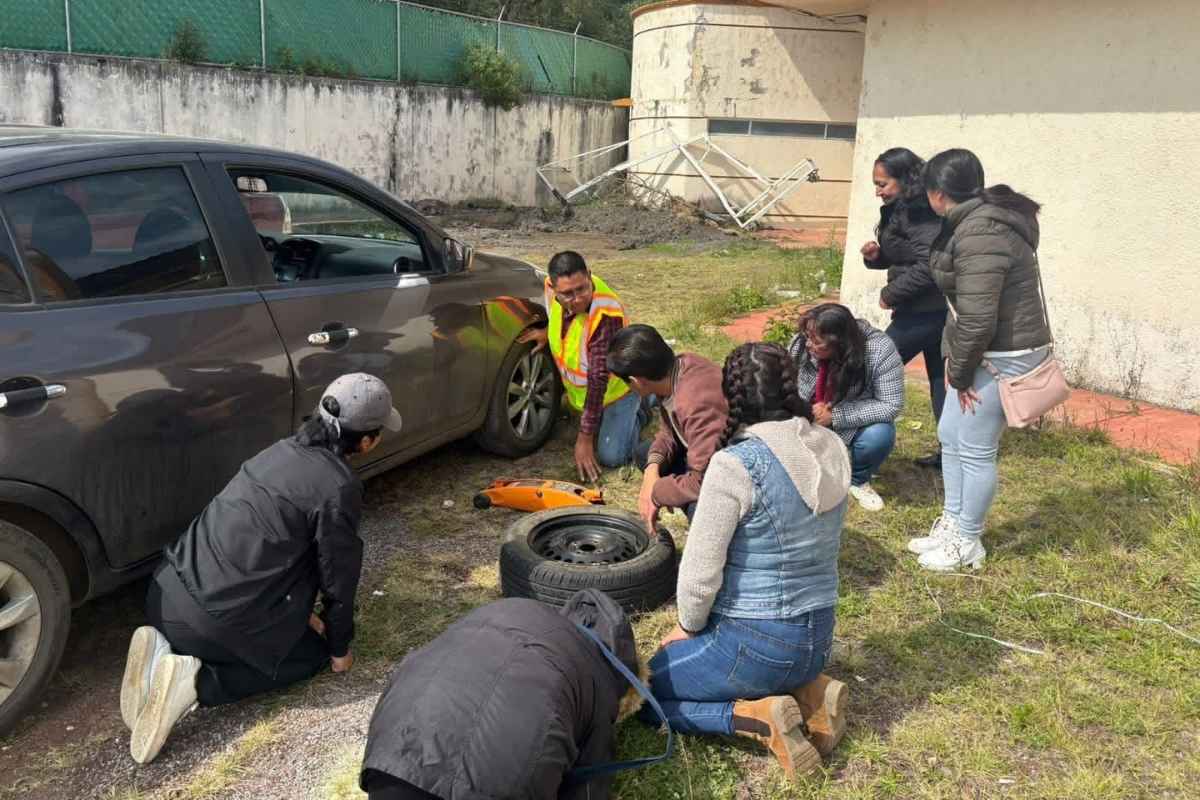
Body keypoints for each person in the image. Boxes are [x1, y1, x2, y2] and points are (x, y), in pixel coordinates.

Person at [119, 373, 403, 764]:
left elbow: (265, 554)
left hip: (166, 591)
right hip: (211, 627)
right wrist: (337, 647)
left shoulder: (278, 451)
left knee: (260, 601)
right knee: (308, 657)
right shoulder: (337, 486)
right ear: (367, 440)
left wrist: (303, 614)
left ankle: (160, 650)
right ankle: (196, 685)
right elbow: (338, 576)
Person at [639, 342, 851, 780]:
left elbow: (700, 574)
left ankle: (757, 718)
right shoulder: (832, 445)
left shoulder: (736, 464)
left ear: (730, 397)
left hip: (757, 642)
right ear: (792, 386)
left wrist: (687, 628)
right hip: (818, 638)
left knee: (640, 695)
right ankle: (812, 691)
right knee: (760, 659)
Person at [359, 589, 651, 800]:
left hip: (389, 761)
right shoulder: (598, 682)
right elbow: (588, 787)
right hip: (490, 786)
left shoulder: (506, 608)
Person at [907, 148, 1051, 572]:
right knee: (950, 434)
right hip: (981, 351)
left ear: (937, 194)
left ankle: (969, 540)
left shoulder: (979, 232)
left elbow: (978, 317)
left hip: (1002, 355)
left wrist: (962, 371)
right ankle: (952, 523)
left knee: (974, 448)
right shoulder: (970, 223)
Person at [518, 251, 646, 481]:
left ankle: (642, 407)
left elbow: (598, 380)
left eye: (582, 289)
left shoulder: (605, 315)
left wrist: (584, 439)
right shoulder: (550, 290)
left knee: (612, 456)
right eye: (567, 294)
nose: (577, 299)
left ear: (589, 275)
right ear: (554, 288)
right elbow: (561, 319)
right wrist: (548, 332)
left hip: (617, 392)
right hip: (588, 396)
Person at [861, 147, 947, 468]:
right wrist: (877, 257)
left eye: (883, 184)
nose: (878, 190)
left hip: (925, 311)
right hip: (927, 309)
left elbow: (929, 264)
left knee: (871, 369)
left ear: (905, 179)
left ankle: (856, 447)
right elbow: (907, 254)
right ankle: (951, 453)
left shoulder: (920, 211)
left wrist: (891, 293)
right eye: (876, 183)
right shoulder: (901, 208)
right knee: (940, 381)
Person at [606, 324, 728, 529]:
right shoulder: (677, 369)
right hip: (705, 456)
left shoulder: (695, 404)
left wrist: (657, 492)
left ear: (636, 381)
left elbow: (705, 480)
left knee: (702, 509)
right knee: (646, 454)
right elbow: (668, 432)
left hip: (727, 475)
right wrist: (651, 471)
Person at [787, 303, 904, 511]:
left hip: (848, 421)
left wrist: (836, 415)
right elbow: (784, 381)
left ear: (839, 343)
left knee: (879, 435)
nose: (808, 344)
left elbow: (891, 404)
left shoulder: (879, 350)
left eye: (816, 342)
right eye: (807, 336)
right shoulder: (802, 344)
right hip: (804, 416)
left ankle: (858, 480)